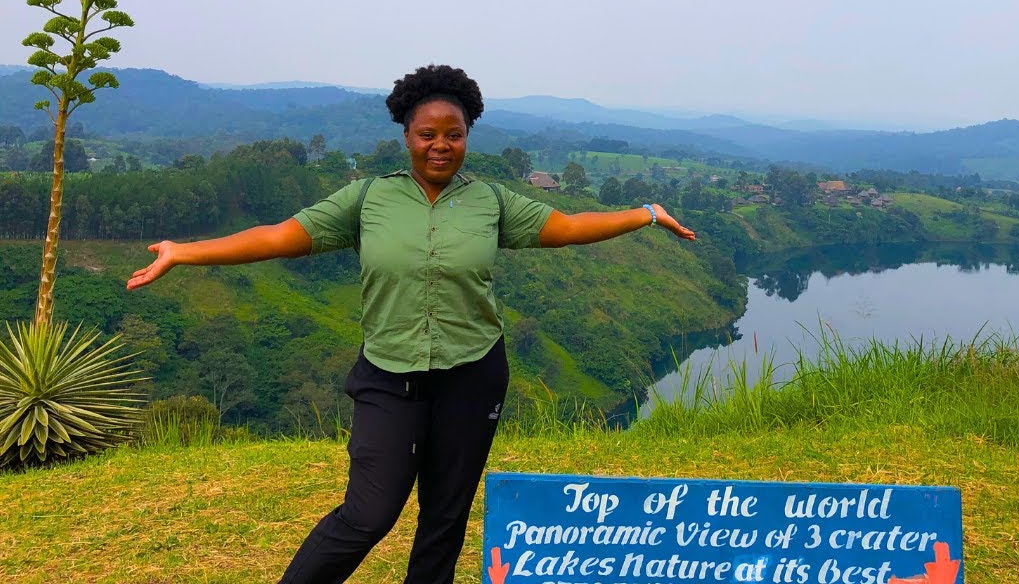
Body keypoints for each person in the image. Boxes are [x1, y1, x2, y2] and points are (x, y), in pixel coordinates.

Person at [126, 64, 696, 583]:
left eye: (455, 134)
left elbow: (569, 226)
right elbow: (277, 237)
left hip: (473, 375)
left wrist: (646, 214)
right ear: (406, 135)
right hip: (388, 375)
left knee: (445, 517)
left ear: (468, 136)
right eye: (428, 134)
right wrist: (185, 251)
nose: (441, 146)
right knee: (368, 513)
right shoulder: (368, 198)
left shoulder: (491, 202)